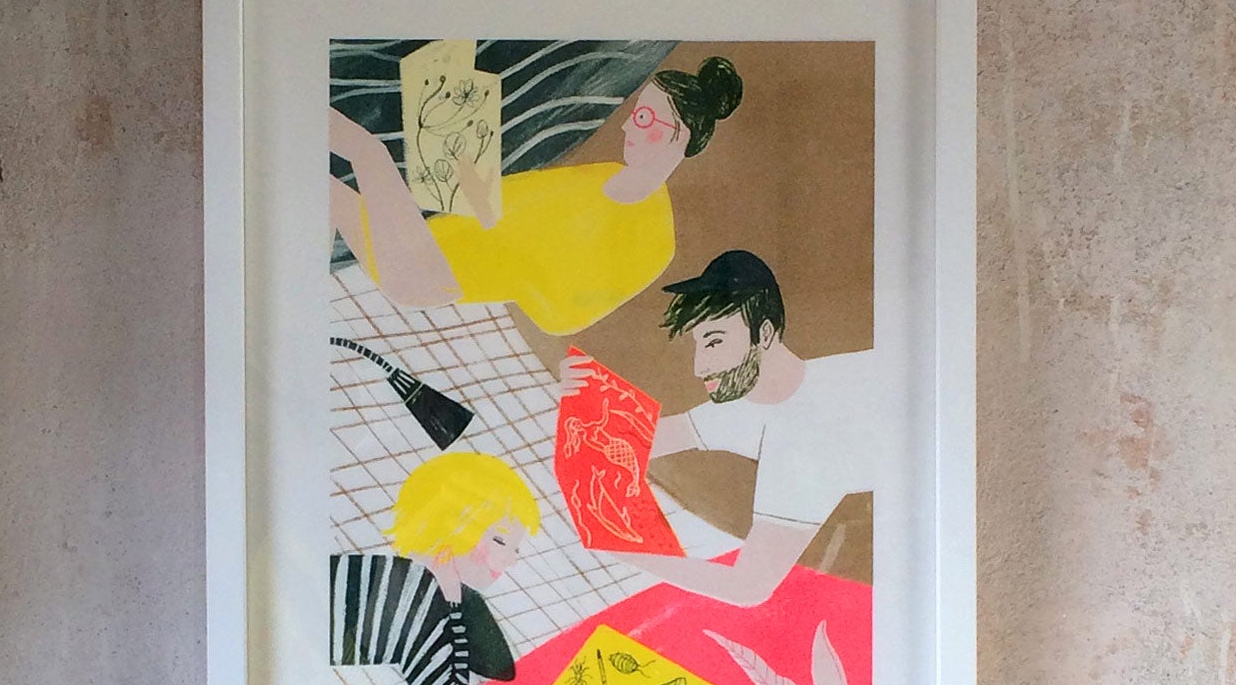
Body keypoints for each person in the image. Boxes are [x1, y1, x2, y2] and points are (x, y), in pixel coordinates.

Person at [327, 57, 743, 335]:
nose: (627, 126)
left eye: (646, 117)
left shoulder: (655, 240)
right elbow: (504, 211)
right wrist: (467, 172)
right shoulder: (603, 176)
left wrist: (516, 260)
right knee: (323, 189)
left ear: (681, 135)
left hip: (429, 276)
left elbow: (561, 318)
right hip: (426, 243)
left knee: (367, 151)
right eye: (636, 113)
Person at [561, 250, 880, 607]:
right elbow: (614, 444)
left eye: (714, 341)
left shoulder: (803, 448)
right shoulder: (744, 411)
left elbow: (747, 587)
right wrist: (579, 393)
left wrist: (628, 551)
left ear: (765, 333)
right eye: (699, 344)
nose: (700, 367)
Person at [330, 450, 540, 685]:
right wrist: (452, 602)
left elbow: (502, 670)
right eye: (500, 540)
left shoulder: (450, 595)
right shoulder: (410, 591)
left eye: (516, 549)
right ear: (452, 526)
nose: (511, 560)